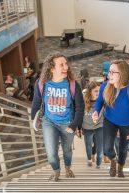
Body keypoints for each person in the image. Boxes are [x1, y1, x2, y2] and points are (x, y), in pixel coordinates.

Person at [31, 53, 84, 182]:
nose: (66, 67)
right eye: (62, 65)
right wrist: (34, 119)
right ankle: (56, 170)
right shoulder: (41, 83)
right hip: (49, 122)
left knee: (67, 151)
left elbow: (79, 108)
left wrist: (75, 125)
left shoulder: (73, 85)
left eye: (66, 63)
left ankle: (67, 167)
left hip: (67, 124)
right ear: (52, 68)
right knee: (51, 154)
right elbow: (36, 103)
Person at [92, 60, 129, 177]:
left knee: (123, 149)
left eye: (113, 72)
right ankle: (113, 160)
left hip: (127, 123)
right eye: (109, 72)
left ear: (122, 74)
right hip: (109, 120)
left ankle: (120, 167)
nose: (108, 75)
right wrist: (96, 111)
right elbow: (99, 102)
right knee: (106, 148)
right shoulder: (105, 86)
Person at [82, 81, 103, 168]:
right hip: (87, 126)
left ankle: (98, 162)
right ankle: (89, 159)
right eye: (95, 91)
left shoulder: (102, 99)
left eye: (99, 90)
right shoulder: (83, 99)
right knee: (88, 144)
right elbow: (79, 113)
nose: (98, 93)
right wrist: (79, 128)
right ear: (90, 91)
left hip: (99, 125)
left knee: (99, 146)